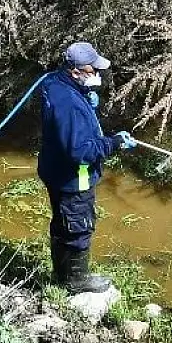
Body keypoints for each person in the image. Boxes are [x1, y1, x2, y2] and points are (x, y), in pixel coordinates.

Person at [38, 42, 137, 294]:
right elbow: (80, 151)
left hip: (54, 171)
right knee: (78, 227)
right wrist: (114, 143)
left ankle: (61, 276)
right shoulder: (69, 106)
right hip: (74, 179)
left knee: (62, 224)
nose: (98, 74)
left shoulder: (55, 83)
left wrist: (86, 100)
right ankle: (76, 281)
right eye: (93, 70)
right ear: (75, 71)